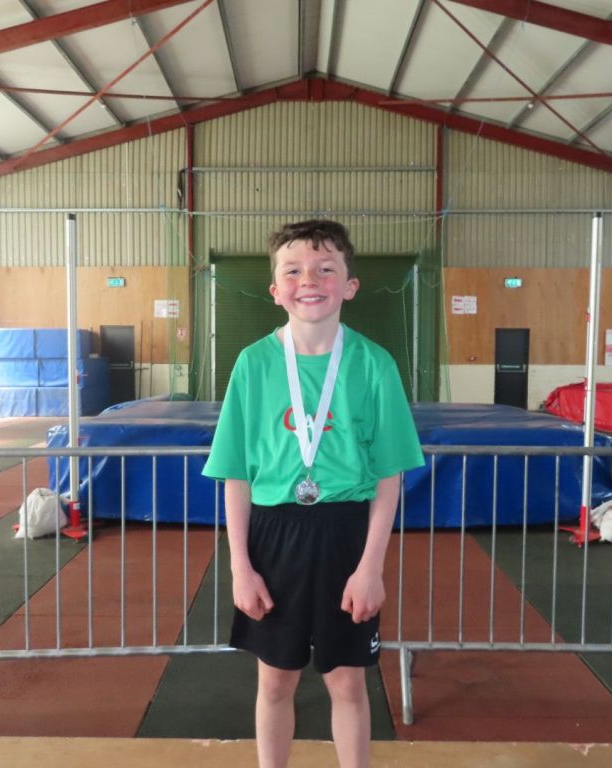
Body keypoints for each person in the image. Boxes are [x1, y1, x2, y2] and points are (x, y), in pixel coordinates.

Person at [202, 219, 424, 768]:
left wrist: (371, 567)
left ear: (350, 285)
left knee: (347, 682)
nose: (309, 280)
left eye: (326, 269)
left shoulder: (374, 364)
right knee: (275, 681)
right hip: (273, 533)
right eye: (294, 270)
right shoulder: (253, 364)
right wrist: (240, 567)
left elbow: (389, 476)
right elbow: (236, 476)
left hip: (346, 532)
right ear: (275, 289)